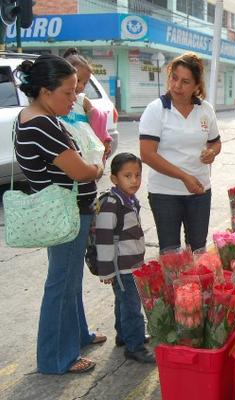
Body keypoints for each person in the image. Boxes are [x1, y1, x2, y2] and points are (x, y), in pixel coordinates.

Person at [14, 55, 106, 374]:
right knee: (62, 284)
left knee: (70, 280)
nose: (73, 98)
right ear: (44, 90)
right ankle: (56, 357)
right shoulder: (42, 123)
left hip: (67, 211)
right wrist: (98, 166)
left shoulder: (34, 116)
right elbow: (81, 171)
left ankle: (78, 335)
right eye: (67, 92)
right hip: (65, 213)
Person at [139, 52, 221, 252]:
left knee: (198, 251)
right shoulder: (156, 109)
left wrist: (212, 152)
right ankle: (174, 285)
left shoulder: (205, 110)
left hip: (200, 191)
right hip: (165, 193)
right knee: (171, 254)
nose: (177, 86)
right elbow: (147, 154)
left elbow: (216, 142)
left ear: (196, 86)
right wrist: (184, 177)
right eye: (174, 78)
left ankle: (196, 285)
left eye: (185, 82)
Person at [93, 153, 154, 363]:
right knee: (132, 307)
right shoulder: (111, 204)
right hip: (122, 268)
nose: (134, 180)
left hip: (132, 265)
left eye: (137, 175)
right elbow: (104, 238)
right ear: (114, 179)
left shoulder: (129, 199)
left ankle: (124, 336)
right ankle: (134, 346)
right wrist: (107, 270)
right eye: (127, 176)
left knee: (123, 302)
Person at [59, 48, 107, 166]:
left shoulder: (83, 101)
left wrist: (105, 140)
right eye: (78, 80)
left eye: (85, 83)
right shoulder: (56, 102)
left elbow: (98, 123)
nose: (80, 86)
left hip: (86, 149)